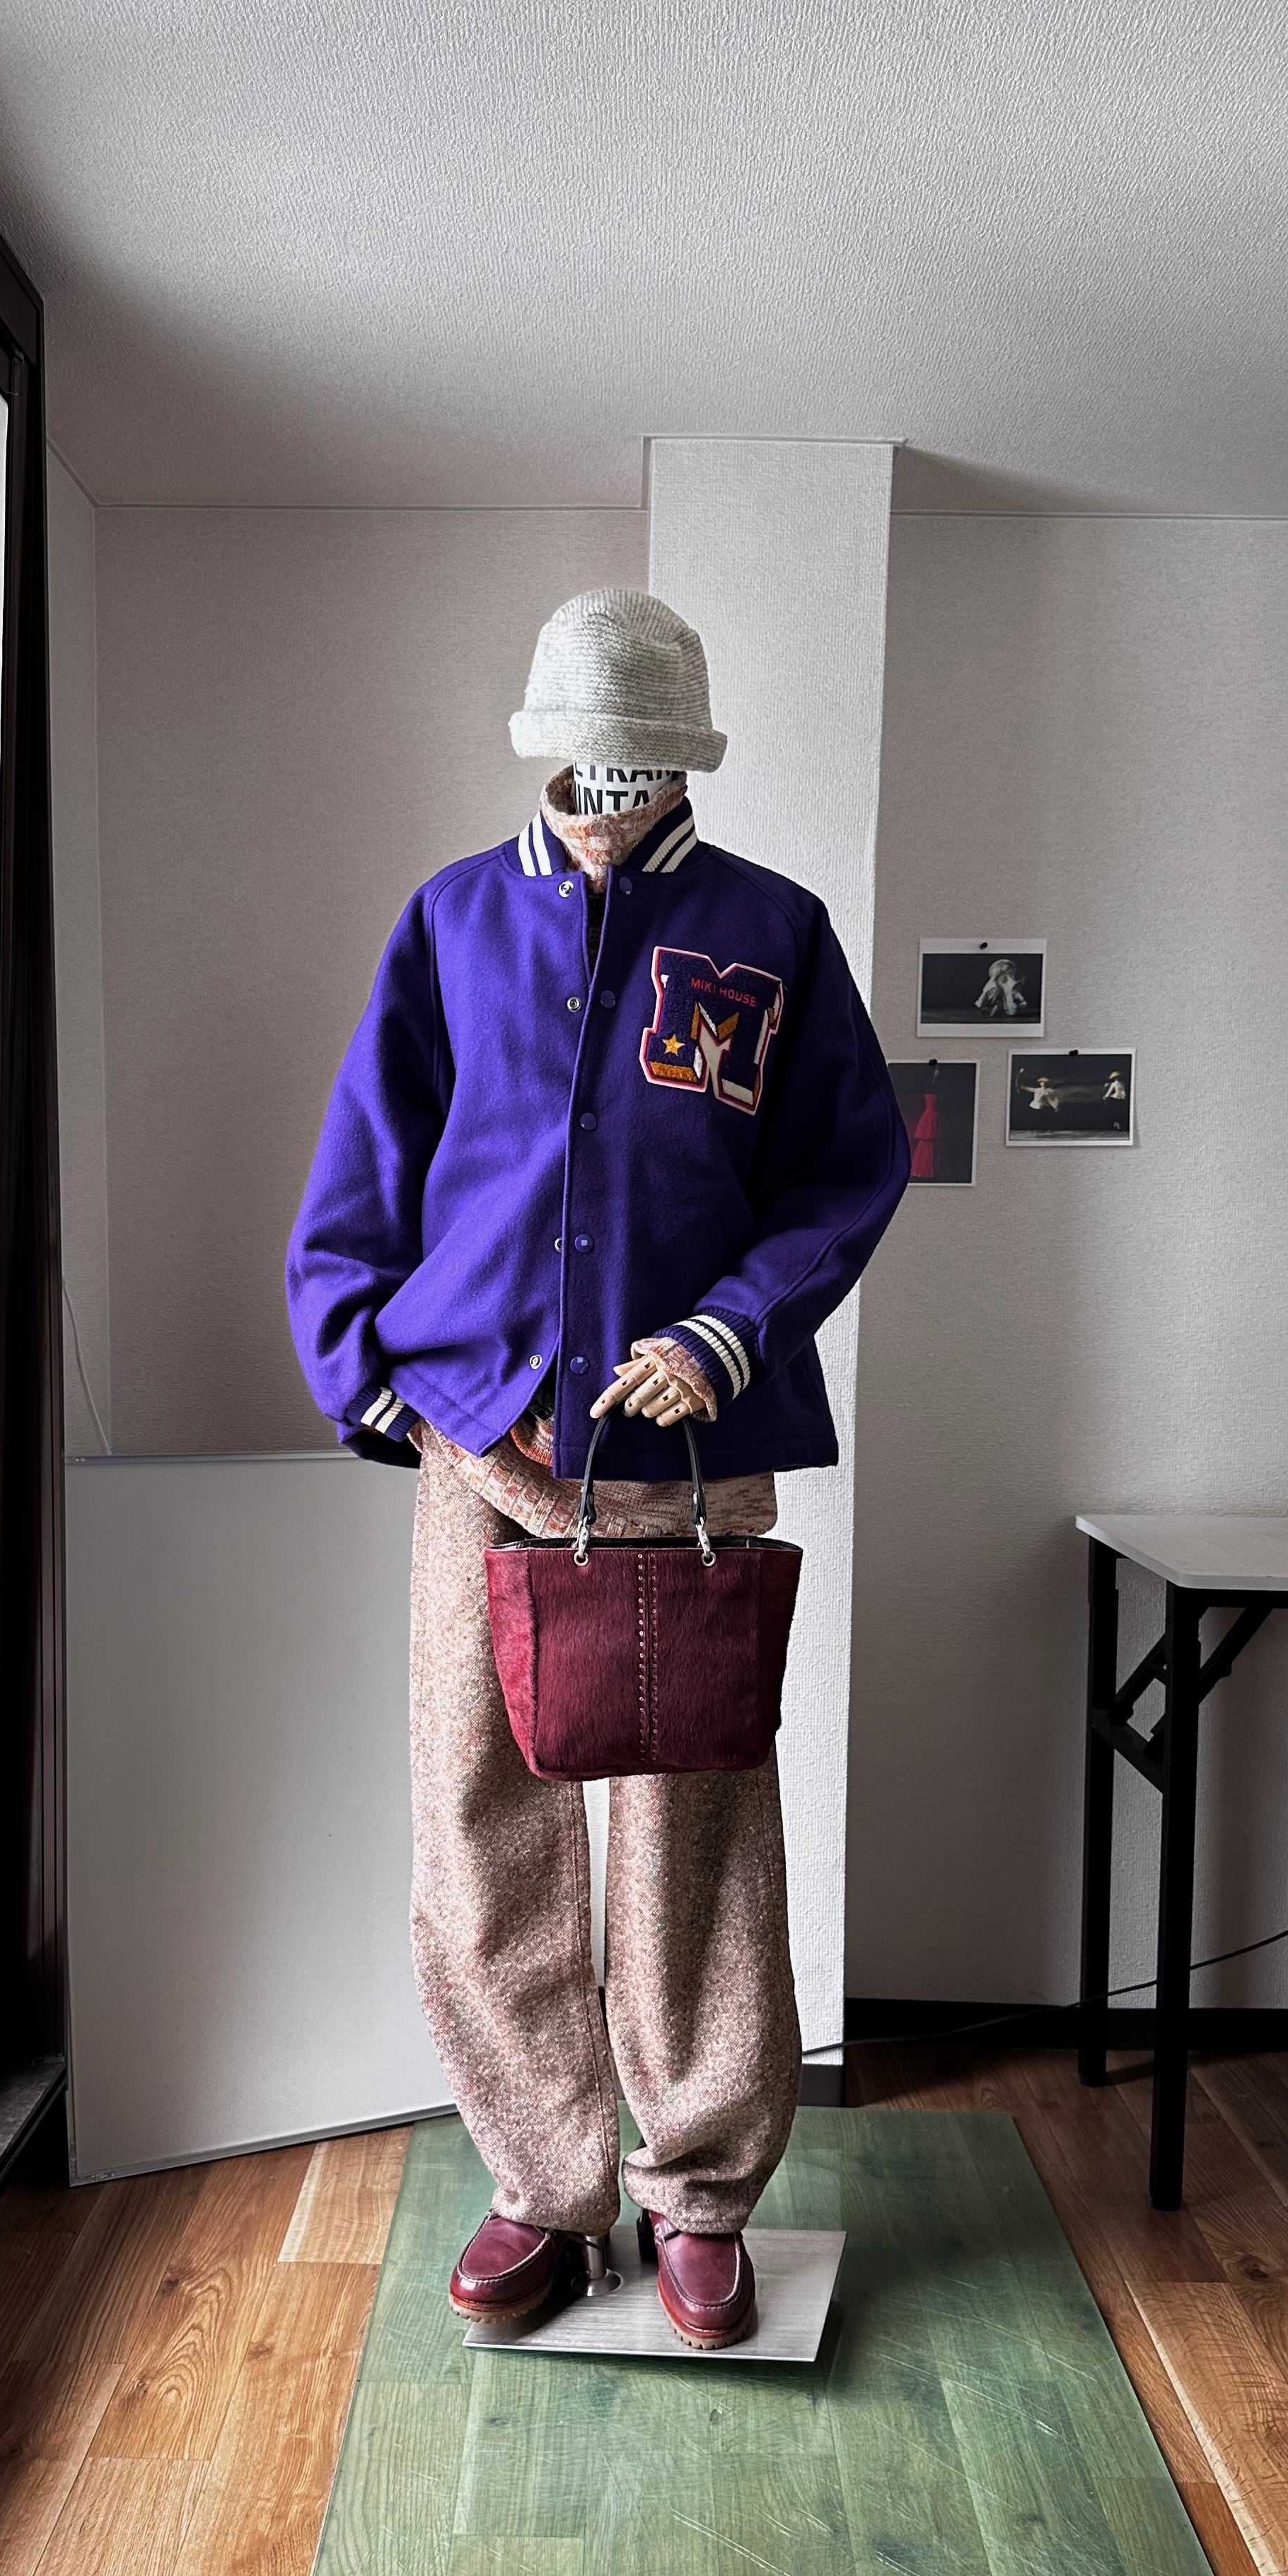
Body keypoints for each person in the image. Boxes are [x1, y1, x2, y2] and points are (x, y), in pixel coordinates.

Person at [286, 589, 908, 2347]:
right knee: (481, 1827)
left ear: (683, 757)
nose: (605, 786)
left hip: (681, 1463)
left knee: (692, 1841)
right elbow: (363, 1172)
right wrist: (373, 1372)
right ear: (545, 749)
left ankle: (698, 2189)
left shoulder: (772, 933)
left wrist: (727, 1331)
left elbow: (844, 1171)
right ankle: (543, 2187)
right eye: (582, 755)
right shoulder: (453, 919)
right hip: (478, 1443)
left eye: (636, 756)